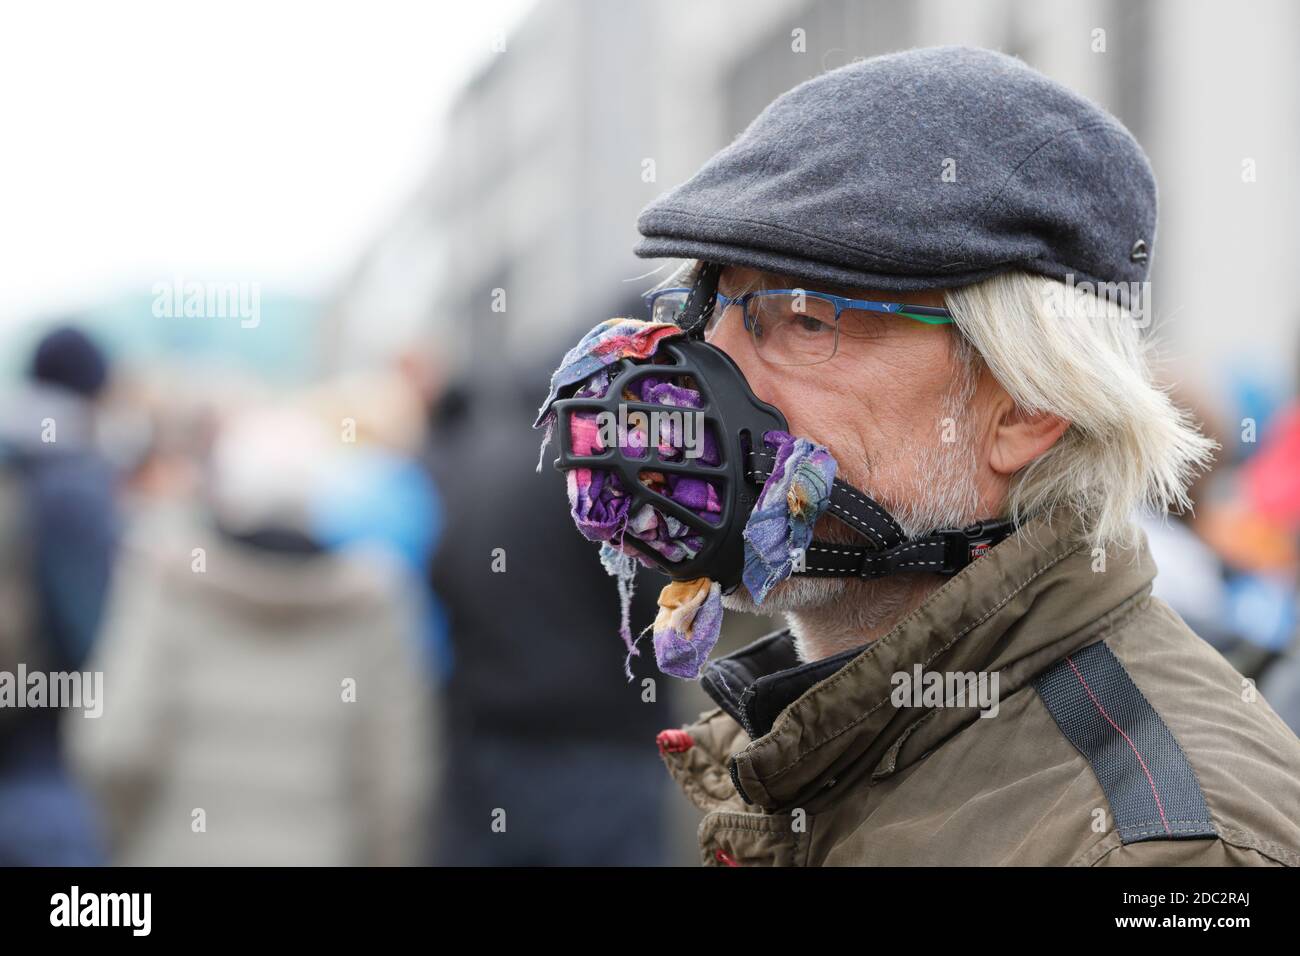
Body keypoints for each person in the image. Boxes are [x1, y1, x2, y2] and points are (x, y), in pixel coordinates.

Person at [600, 46, 1300, 865]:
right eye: (708, 306)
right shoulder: (820, 744)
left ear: (1028, 403)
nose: (702, 372)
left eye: (803, 319)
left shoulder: (1162, 856)